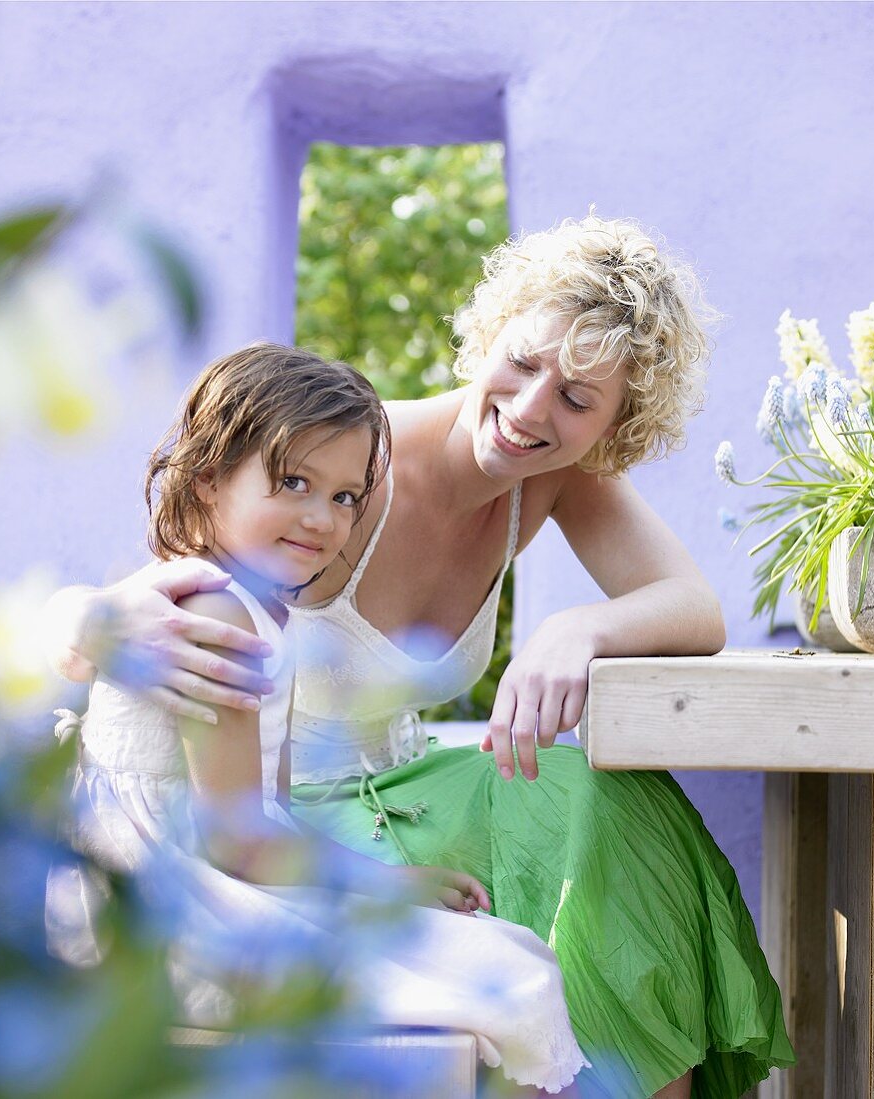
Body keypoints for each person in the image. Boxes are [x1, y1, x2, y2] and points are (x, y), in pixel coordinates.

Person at [45, 215, 795, 1098]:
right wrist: (89, 617)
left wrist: (575, 629)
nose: (529, 410)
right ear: (490, 334)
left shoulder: (549, 478)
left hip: (385, 789)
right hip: (280, 816)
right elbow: (169, 578)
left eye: (578, 400)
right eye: (523, 361)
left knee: (611, 800)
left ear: (614, 427)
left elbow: (694, 607)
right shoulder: (346, 461)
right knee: (512, 927)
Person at [48, 343, 591, 1094]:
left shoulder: (272, 613)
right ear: (208, 481)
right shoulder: (212, 611)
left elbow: (270, 809)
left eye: (344, 498)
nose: (321, 518)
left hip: (201, 878)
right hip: (154, 907)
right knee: (503, 974)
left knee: (508, 955)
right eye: (293, 482)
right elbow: (238, 841)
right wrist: (375, 887)